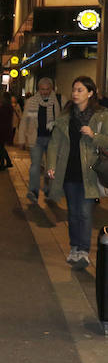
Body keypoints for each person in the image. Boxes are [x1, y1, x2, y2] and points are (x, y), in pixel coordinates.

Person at [46, 76, 108, 269]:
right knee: (73, 213)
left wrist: (94, 135)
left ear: (90, 93)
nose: (75, 93)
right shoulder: (66, 117)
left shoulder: (101, 115)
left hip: (90, 172)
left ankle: (83, 251)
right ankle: (74, 248)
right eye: (74, 90)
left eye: (80, 90)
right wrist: (51, 165)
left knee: (85, 212)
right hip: (69, 171)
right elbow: (54, 143)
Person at [22, 78, 61, 202]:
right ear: (38, 89)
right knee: (35, 166)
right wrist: (22, 139)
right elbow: (24, 120)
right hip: (36, 139)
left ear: (51, 89)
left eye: (47, 89)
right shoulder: (31, 102)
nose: (45, 92)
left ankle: (49, 190)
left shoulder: (58, 101)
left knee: (51, 167)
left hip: (52, 140)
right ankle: (33, 191)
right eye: (42, 89)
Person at [0, 92, 14, 171]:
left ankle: (2, 164)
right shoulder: (8, 106)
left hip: (2, 129)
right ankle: (8, 162)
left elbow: (0, 117)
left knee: (0, 146)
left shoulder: (5, 107)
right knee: (1, 146)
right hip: (5, 128)